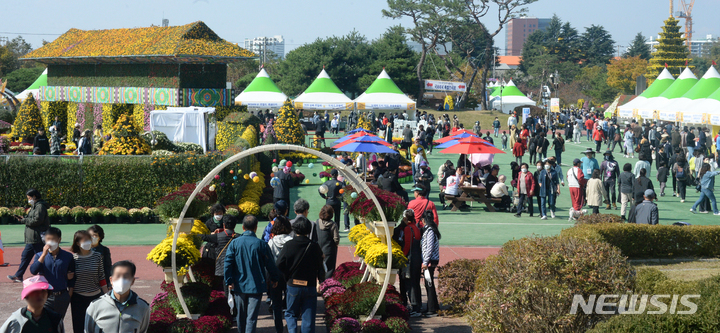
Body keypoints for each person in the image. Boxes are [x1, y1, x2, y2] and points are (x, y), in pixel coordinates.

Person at [225, 215, 280, 333]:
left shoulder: (234, 243)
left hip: (239, 285)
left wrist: (229, 281)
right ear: (256, 227)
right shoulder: (261, 244)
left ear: (243, 227)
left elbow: (228, 263)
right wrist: (275, 278)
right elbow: (270, 264)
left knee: (241, 315)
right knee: (252, 317)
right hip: (256, 285)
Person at [275, 216, 325, 333]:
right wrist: (320, 280)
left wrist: (286, 276)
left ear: (295, 229)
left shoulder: (289, 245)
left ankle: (292, 331)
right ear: (308, 230)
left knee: (291, 313)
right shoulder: (314, 246)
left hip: (293, 284)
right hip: (310, 285)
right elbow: (320, 267)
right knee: (308, 315)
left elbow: (278, 264)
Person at [84, 261, 150, 333]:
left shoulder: (142, 307)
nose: (121, 280)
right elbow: (88, 330)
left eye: (126, 276)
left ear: (132, 281)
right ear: (111, 280)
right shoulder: (96, 305)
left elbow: (143, 330)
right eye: (118, 276)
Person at [29, 227, 74, 319]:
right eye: (48, 239)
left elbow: (72, 277)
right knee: (45, 321)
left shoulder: (68, 256)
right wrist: (43, 255)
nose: (50, 242)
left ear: (59, 240)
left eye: (53, 239)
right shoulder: (39, 255)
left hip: (62, 296)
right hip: (45, 296)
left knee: (59, 322)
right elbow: (33, 270)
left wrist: (69, 295)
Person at [8, 189, 51, 283]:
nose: (28, 200)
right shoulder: (35, 206)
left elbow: (37, 221)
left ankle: (43, 276)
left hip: (37, 238)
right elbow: (33, 219)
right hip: (32, 238)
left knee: (40, 257)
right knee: (25, 256)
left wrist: (24, 220)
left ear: (34, 196)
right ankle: (19, 275)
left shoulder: (40, 207)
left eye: (29, 198)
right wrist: (24, 218)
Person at [69, 230, 107, 333]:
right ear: (77, 243)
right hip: (78, 298)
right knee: (79, 327)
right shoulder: (73, 259)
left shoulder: (97, 256)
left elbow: (101, 277)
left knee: (97, 326)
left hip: (95, 297)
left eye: (89, 240)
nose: (88, 242)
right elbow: (70, 280)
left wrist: (108, 295)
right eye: (85, 240)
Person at [0, 275, 65, 333]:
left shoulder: (55, 320)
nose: (39, 294)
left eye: (43, 291)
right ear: (26, 295)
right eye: (35, 291)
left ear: (48, 294)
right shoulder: (16, 321)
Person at [392, 209, 423, 317]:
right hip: (417, 258)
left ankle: (414, 307)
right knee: (415, 283)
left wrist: (401, 257)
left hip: (409, 259)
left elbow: (407, 245)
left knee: (410, 284)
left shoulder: (408, 228)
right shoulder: (416, 227)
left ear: (405, 218)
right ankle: (417, 306)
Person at [267, 216, 292, 333]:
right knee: (290, 303)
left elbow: (268, 260)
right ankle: (291, 325)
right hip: (289, 275)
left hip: (275, 275)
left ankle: (279, 328)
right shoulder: (291, 241)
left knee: (276, 305)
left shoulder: (271, 242)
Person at [420, 215, 441, 318]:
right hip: (429, 261)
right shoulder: (430, 230)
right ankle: (433, 306)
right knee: (429, 283)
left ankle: (432, 309)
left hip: (429, 262)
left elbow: (429, 247)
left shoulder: (430, 231)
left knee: (429, 284)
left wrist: (425, 261)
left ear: (424, 220)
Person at [316, 205, 339, 279]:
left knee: (319, 267)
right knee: (329, 269)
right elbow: (336, 239)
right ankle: (327, 286)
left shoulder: (317, 222)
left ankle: (319, 283)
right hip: (329, 249)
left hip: (318, 248)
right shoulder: (333, 224)